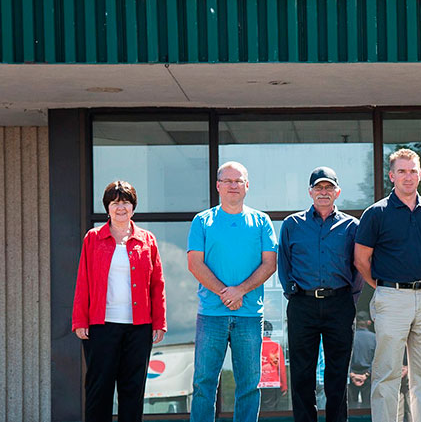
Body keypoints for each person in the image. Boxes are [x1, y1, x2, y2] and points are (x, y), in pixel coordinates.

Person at [355, 148, 421, 422]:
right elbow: (361, 259)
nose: (408, 177)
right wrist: (383, 285)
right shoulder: (376, 213)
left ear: (420, 175)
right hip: (390, 297)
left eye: (413, 171)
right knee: (387, 373)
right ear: (392, 176)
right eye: (402, 171)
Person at [188, 161, 277, 422]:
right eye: (227, 180)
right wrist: (225, 293)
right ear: (218, 186)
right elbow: (194, 263)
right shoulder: (202, 221)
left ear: (247, 186)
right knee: (203, 384)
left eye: (238, 181)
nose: (233, 185)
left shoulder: (261, 221)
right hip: (211, 315)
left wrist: (240, 291)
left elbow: (270, 263)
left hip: (249, 315)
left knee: (249, 386)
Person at [72, 180, 166, 422]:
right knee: (98, 390)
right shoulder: (93, 238)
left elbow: (157, 284)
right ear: (108, 207)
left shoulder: (147, 240)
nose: (120, 207)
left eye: (125, 202)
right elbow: (83, 281)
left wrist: (159, 322)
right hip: (101, 327)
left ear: (133, 207)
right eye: (115, 202)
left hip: (139, 328)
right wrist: (80, 320)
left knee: (132, 391)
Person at [278, 166, 362, 422]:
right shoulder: (293, 224)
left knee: (337, 375)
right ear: (310, 192)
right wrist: (293, 292)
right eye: (318, 188)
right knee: (302, 375)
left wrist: (349, 299)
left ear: (337, 192)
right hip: (303, 304)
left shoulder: (352, 226)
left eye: (328, 188)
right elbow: (284, 262)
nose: (323, 192)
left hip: (340, 304)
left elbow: (359, 266)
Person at [348, 312, 377, 408]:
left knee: (350, 409)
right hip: (368, 376)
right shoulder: (374, 338)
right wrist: (366, 374)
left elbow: (343, 358)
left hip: (351, 376)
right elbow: (376, 359)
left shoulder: (349, 337)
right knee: (368, 408)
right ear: (369, 322)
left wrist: (352, 374)